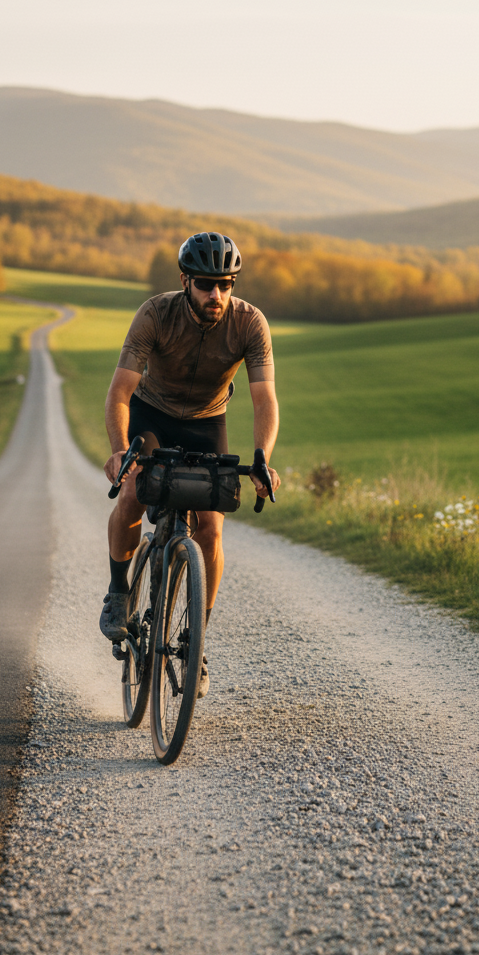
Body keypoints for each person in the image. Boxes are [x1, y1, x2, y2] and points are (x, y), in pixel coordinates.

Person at [99, 232, 281, 698]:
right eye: (205, 284)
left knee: (212, 530)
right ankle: (120, 591)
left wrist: (262, 459)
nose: (216, 294)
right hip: (152, 414)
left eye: (225, 284)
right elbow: (120, 391)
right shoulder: (155, 314)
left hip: (206, 421)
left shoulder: (249, 324)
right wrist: (121, 450)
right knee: (134, 494)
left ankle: (194, 638)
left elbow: (264, 398)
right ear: (185, 281)